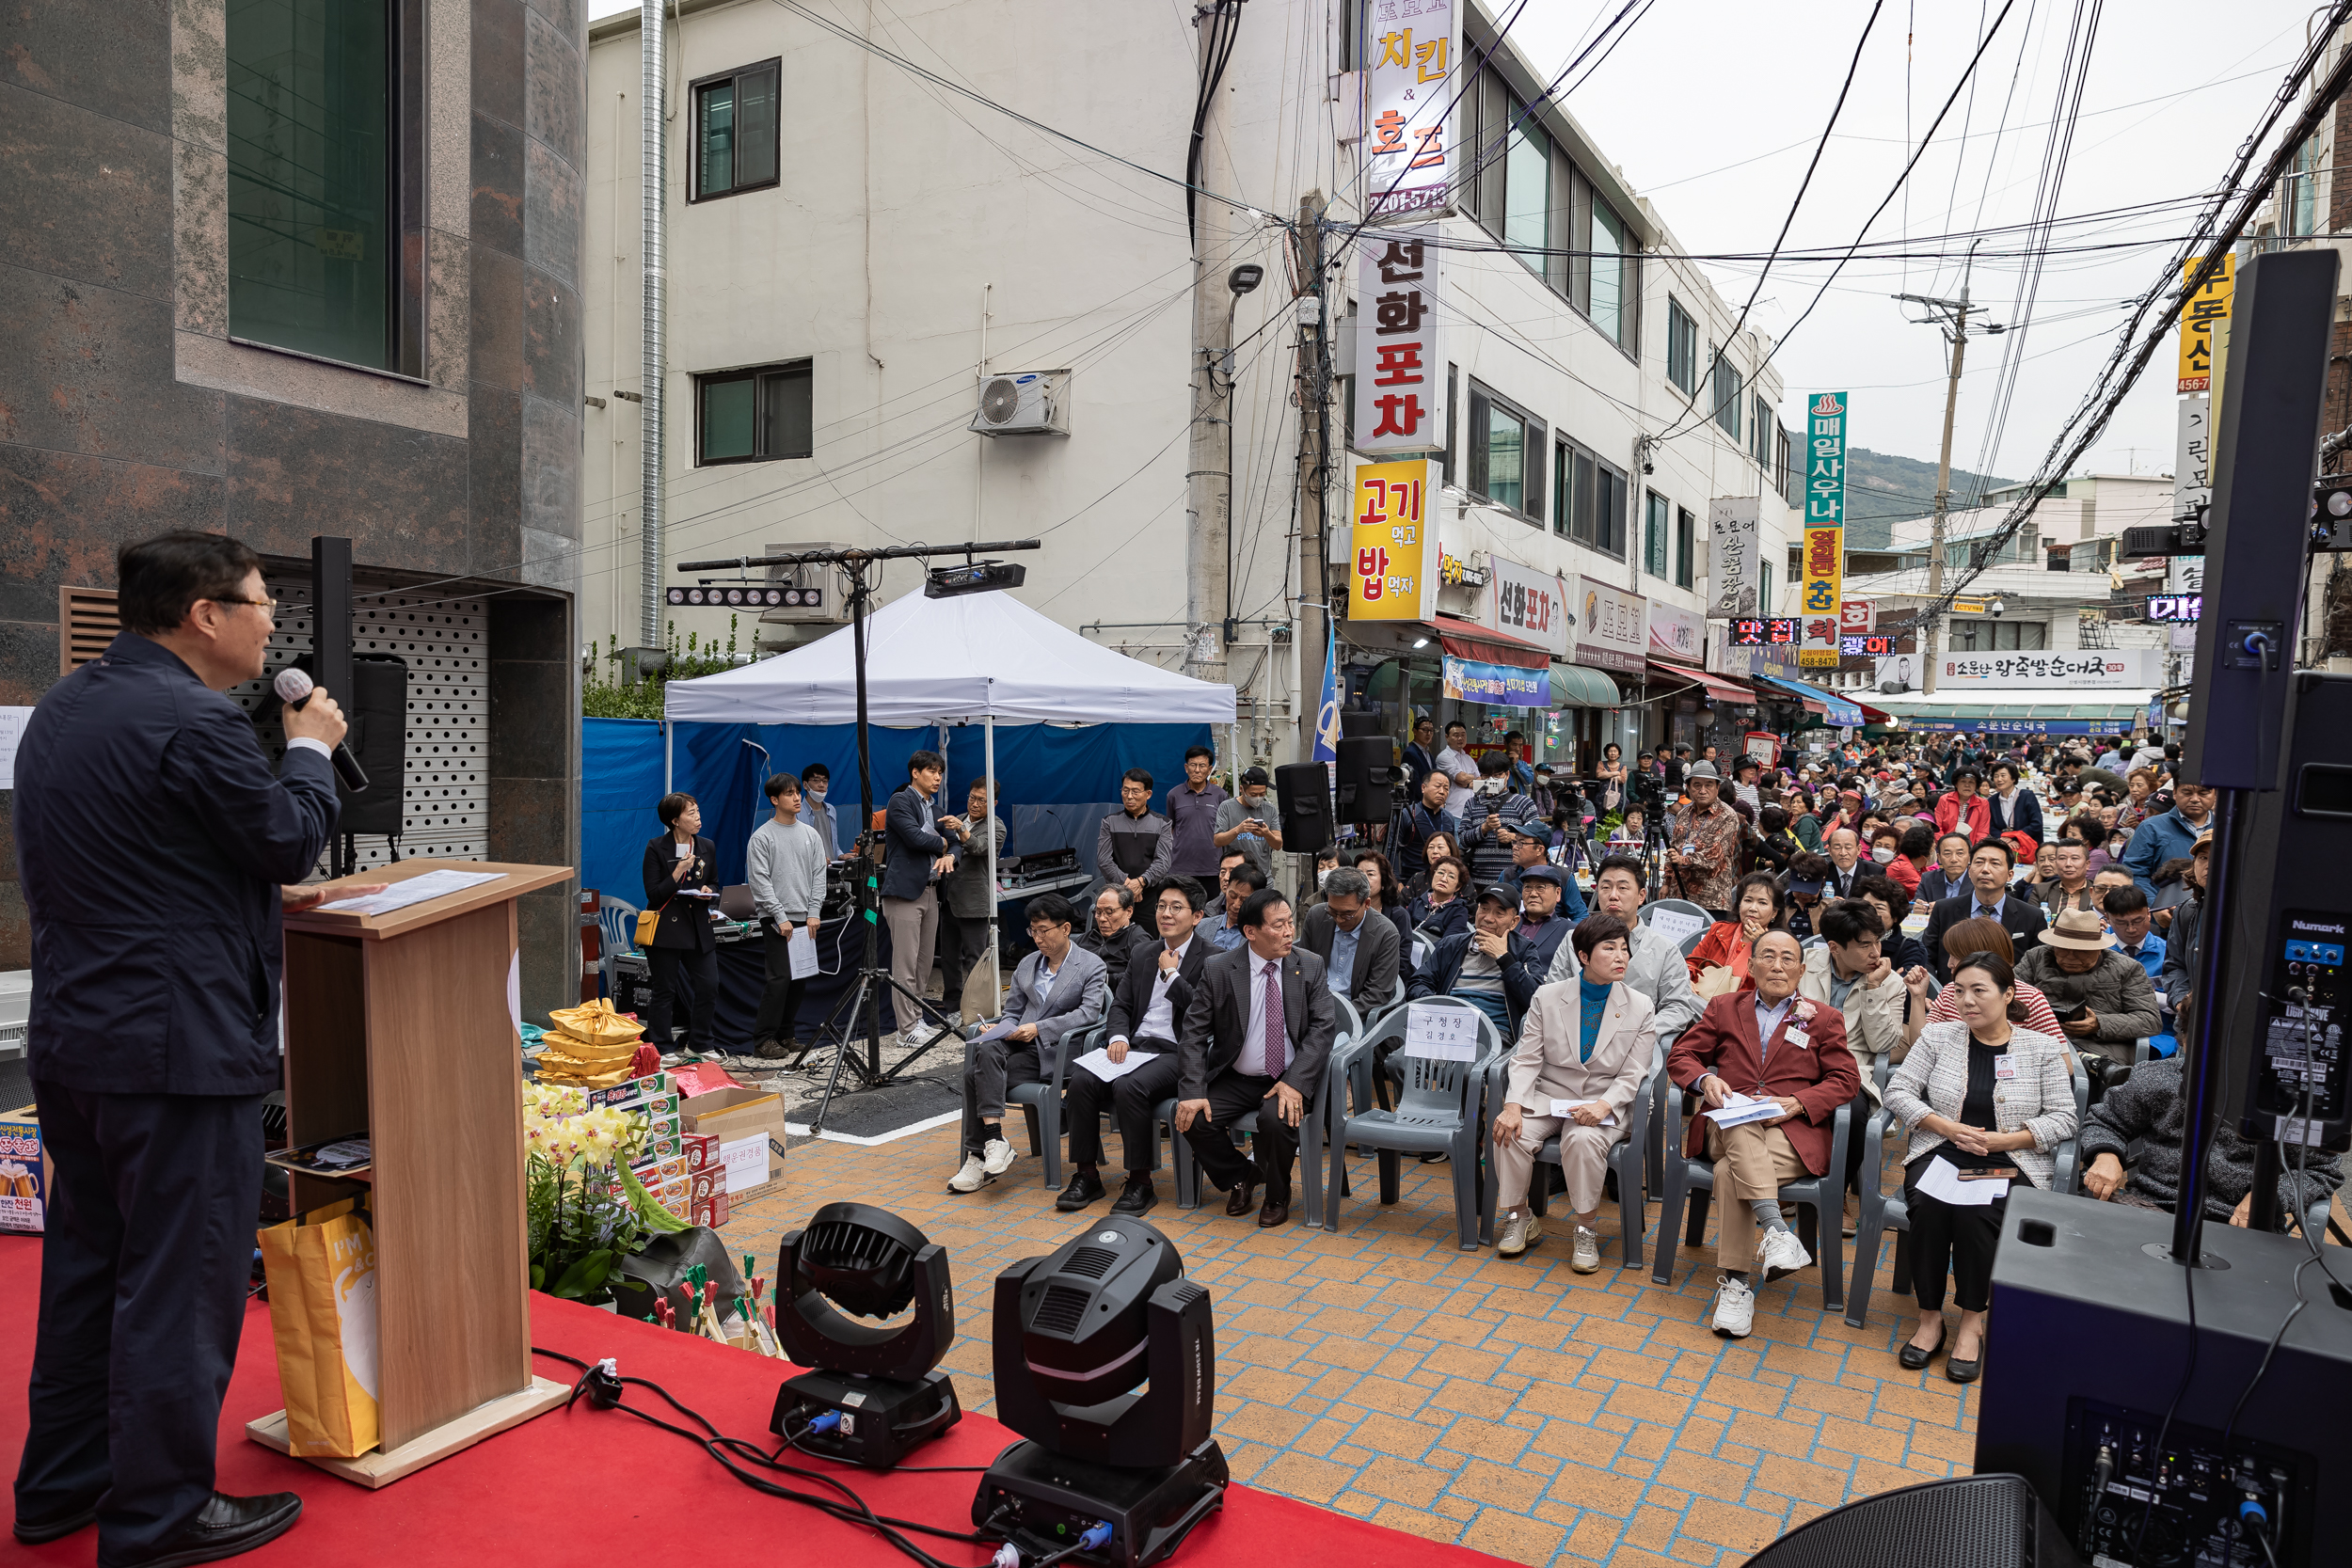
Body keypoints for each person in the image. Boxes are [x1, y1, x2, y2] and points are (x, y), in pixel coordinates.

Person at [13, 532, 351, 1564]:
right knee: (179, 1279)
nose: (270, 625)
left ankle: (62, 1487)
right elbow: (289, 839)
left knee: (88, 1265)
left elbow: (159, 853)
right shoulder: (193, 718)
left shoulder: (65, 707)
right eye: (258, 604)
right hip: (177, 1047)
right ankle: (159, 1515)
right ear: (204, 615)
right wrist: (310, 748)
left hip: (76, 1038)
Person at [1883, 951, 2075, 1382]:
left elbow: (2064, 1117)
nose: (1967, 1000)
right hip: (1941, 1149)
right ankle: (1930, 1317)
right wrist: (1945, 1127)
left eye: (1979, 990)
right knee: (1930, 1208)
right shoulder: (1938, 1037)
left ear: (2008, 995)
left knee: (1975, 1214)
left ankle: (1973, 1321)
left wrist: (2007, 1139)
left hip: (2011, 1157)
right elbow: (1898, 1091)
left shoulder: (2041, 1047)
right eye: (1959, 990)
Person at [1666, 930, 1863, 1339]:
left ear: (1802, 970)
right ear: (1751, 965)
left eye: (1788, 958)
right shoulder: (1723, 1007)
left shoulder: (1823, 1018)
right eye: (1768, 956)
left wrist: (1799, 1102)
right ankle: (1776, 1231)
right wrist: (1705, 1082)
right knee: (1738, 1122)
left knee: (1727, 1174)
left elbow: (1846, 1079)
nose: (1778, 965)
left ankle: (1737, 1286)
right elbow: (1682, 1055)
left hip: (1789, 1133)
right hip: (1726, 1119)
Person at [1490, 912, 1659, 1269]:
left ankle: (1585, 1228)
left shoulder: (1640, 1005)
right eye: (1609, 948)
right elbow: (1526, 1058)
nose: (1620, 957)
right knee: (1510, 1133)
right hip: (1551, 1095)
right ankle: (1520, 1217)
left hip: (1605, 1099)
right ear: (1583, 956)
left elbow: (1634, 1072)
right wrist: (1514, 1103)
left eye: (1625, 949)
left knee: (1582, 1140)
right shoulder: (1547, 997)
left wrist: (1603, 1105)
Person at [1175, 888, 1337, 1227]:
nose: (1289, 932)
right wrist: (1191, 1091)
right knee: (1193, 1118)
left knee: (1276, 1121)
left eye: (1291, 923)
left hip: (1289, 1075)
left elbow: (1323, 1028)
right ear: (1251, 932)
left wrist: (1295, 1082)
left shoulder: (1308, 965)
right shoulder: (1220, 968)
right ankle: (1241, 1176)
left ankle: (1278, 1194)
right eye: (1278, 926)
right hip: (1237, 1075)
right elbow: (1193, 1031)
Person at [1057, 877, 1210, 1215]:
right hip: (1136, 1047)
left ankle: (1140, 1181)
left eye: (1176, 907)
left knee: (1130, 1087)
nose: (1165, 914)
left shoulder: (1213, 958)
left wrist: (1172, 976)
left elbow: (1206, 1012)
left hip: (1176, 1051)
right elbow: (1122, 1005)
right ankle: (1087, 1174)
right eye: (1161, 907)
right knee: (1080, 1080)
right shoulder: (1143, 953)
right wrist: (1118, 1037)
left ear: (1197, 917)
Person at [948, 894, 1108, 1194]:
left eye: (1043, 930)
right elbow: (1013, 1012)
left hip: (1059, 1052)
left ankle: (978, 1154)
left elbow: (1089, 1013)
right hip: (1022, 1050)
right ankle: (993, 1141)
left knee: (973, 1075)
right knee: (987, 1045)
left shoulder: (1091, 965)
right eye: (1032, 930)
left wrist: (1038, 1028)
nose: (1037, 938)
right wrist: (1000, 1027)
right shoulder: (1027, 964)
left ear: (1065, 928)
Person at [2080, 1053, 2342, 1229]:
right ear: (2185, 1038)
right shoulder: (2159, 1076)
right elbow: (2108, 1120)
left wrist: (2270, 1196)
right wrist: (2106, 1155)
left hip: (2243, 1222)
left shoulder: (2293, 1097)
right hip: (2151, 1205)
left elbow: (2319, 1169)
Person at [1544, 853, 1706, 1045]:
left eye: (1622, 888)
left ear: (1641, 896)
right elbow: (1553, 994)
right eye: (1605, 887)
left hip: (1635, 1047)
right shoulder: (1573, 940)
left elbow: (1678, 1006)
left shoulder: (1664, 950)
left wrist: (1638, 1032)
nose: (1613, 895)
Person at [2014, 907, 2163, 1069]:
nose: (2070, 957)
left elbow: (2150, 1020)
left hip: (2104, 1049)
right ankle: (2080, 1059)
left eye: (2081, 951)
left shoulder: (2127, 968)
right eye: (2062, 949)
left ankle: (2086, 1061)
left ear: (2098, 948)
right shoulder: (2035, 958)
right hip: (2040, 1041)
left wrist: (2099, 1024)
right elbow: (2010, 998)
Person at [746, 772, 830, 1059]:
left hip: (805, 918)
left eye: (797, 792)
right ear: (774, 799)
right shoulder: (762, 837)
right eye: (789, 793)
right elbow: (760, 882)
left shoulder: (810, 834)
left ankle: (786, 1034)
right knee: (780, 978)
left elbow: (820, 874)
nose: (796, 798)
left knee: (799, 979)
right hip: (776, 919)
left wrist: (814, 911)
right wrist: (779, 916)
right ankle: (763, 1039)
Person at [881, 750, 960, 1048]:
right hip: (904, 894)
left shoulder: (937, 809)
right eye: (931, 771)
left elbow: (955, 842)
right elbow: (915, 838)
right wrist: (943, 842)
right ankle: (905, 1030)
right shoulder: (901, 800)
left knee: (924, 964)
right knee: (905, 965)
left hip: (930, 890)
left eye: (940, 772)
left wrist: (950, 851)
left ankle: (917, 1017)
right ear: (915, 772)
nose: (937, 777)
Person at [1409, 885, 1545, 1038]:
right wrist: (1437, 1006)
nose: (1488, 918)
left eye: (1499, 913)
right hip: (1446, 1026)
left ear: (1514, 922)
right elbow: (1418, 982)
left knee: (1465, 1062)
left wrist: (1503, 958)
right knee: (1396, 1061)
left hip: (1492, 1033)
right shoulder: (1451, 944)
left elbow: (1535, 998)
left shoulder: (1524, 949)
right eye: (1484, 909)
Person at [643, 793, 722, 1053]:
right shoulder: (656, 847)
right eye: (691, 813)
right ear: (675, 820)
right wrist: (678, 871)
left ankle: (699, 1044)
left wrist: (709, 889)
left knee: (709, 985)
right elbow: (653, 894)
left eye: (698, 811)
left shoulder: (706, 846)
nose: (698, 817)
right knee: (664, 989)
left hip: (698, 925)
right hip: (666, 928)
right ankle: (662, 1047)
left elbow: (714, 881)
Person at [1920, 839, 2049, 984]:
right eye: (1979, 862)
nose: (1985, 869)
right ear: (1969, 871)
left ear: (2010, 875)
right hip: (1950, 994)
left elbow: (2038, 966)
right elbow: (1926, 957)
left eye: (1995, 863)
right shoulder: (1944, 909)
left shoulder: (2032, 916)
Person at [1916, 918, 2065, 1043]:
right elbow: (1921, 1044)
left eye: (1956, 955)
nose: (1950, 964)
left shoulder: (2030, 998)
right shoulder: (1950, 991)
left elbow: (2060, 1060)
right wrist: (1917, 997)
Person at [934, 777, 1007, 1016]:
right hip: (949, 900)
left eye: (981, 800)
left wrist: (961, 830)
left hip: (975, 902)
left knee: (975, 960)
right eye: (972, 798)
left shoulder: (997, 826)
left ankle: (976, 1009)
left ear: (993, 803)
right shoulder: (957, 820)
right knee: (948, 958)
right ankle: (953, 1005)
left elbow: (978, 847)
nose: (974, 804)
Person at [1299, 867, 1402, 1020]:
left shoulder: (1386, 934)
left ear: (1367, 904)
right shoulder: (1317, 916)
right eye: (1333, 912)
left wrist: (1333, 1015)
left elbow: (1376, 995)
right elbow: (1303, 969)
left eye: (1348, 914)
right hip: (1313, 1007)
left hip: (1355, 1015)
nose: (1339, 919)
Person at [1665, 761, 1741, 916]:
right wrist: (1666, 882)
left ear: (1717, 787)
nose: (1702, 790)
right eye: (1697, 785)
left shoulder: (1727, 815)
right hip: (1679, 895)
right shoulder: (1683, 814)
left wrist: (1682, 860)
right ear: (1688, 787)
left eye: (1709, 785)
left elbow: (1714, 856)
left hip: (1711, 900)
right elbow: (1672, 849)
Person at [1686, 873, 1786, 990]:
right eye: (1748, 900)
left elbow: (1777, 987)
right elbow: (1690, 964)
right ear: (1739, 905)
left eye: (1762, 903)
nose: (1753, 908)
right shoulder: (1718, 930)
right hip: (1703, 999)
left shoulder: (1782, 945)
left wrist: (1763, 945)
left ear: (1774, 912)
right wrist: (1688, 980)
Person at [2122, 780, 2215, 903]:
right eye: (2187, 792)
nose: (2195, 799)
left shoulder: (2230, 830)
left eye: (2203, 793)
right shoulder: (2151, 827)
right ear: (2175, 792)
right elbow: (2134, 873)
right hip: (2163, 915)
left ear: (2215, 794)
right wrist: (2155, 907)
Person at [1460, 752, 1542, 888]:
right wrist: (1484, 828)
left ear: (1507, 775)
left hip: (1515, 882)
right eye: (1486, 776)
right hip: (1478, 882)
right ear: (1480, 777)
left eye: (1497, 775)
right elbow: (1463, 840)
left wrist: (1513, 837)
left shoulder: (1524, 803)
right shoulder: (1472, 803)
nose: (1492, 780)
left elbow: (1538, 839)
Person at [2161, 832, 2213, 1043]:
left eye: (2219, 855)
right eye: (2203, 858)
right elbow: (2174, 965)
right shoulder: (2187, 911)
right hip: (2190, 1024)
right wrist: (2183, 1002)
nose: (2209, 864)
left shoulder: (2256, 915)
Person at [1094, 767, 1172, 901]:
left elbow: (1163, 861)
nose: (1129, 796)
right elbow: (1104, 860)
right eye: (1125, 790)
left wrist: (1142, 882)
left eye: (1135, 791)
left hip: (1150, 896)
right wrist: (1128, 885)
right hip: (1117, 896)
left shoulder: (1163, 823)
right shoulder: (1109, 822)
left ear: (1148, 794)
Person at [1077, 884, 1158, 995]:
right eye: (1099, 912)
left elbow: (1142, 977)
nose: (1102, 919)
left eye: (1109, 912)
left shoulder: (1138, 940)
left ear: (1128, 912)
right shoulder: (1085, 938)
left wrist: (1104, 979)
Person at [1164, 747, 1231, 879]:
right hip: (1180, 868)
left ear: (1209, 769)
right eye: (1193, 765)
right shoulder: (1174, 795)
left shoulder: (1220, 795)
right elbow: (1171, 829)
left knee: (1212, 901)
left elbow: (1225, 831)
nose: (1197, 770)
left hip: (1212, 868)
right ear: (1186, 768)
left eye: (1202, 766)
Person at [1213, 765, 1284, 878]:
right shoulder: (1227, 807)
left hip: (1263, 876)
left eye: (1262, 794)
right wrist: (1238, 830)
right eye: (1253, 794)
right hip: (1235, 876)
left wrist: (1267, 834)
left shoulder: (1270, 810)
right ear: (1242, 790)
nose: (1258, 798)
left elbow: (1278, 844)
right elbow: (1217, 841)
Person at [1387, 767, 1454, 884]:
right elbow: (1392, 850)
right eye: (1437, 786)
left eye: (1446, 788)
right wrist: (1396, 881)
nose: (1442, 791)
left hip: (1442, 881)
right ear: (1423, 788)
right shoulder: (1407, 814)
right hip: (1412, 880)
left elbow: (1453, 853)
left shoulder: (1449, 818)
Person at [1511, 863, 1580, 976]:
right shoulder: (1509, 923)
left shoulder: (1570, 931)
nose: (1533, 894)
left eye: (1540, 888)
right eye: (1527, 888)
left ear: (1557, 893)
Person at [1349, 847, 1415, 955]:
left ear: (1383, 882)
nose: (1363, 879)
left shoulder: (1398, 916)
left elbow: (1403, 958)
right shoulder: (1347, 911)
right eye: (1359, 874)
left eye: (1370, 874)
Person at [1198, 857, 1262, 952]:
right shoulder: (1201, 927)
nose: (1236, 905)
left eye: (1244, 900)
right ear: (1226, 889)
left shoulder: (1260, 935)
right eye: (1232, 896)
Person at [1406, 855, 1472, 945]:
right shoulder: (1417, 902)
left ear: (1458, 887)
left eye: (1451, 876)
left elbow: (1448, 946)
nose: (1443, 879)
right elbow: (1402, 931)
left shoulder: (1458, 911)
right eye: (1441, 873)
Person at [1435, 721, 1482, 830]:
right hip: (1453, 812)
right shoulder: (1444, 757)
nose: (1460, 738)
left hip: (1471, 813)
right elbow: (1460, 777)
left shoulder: (1468, 758)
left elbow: (1480, 780)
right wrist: (1469, 778)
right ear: (1447, 737)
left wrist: (1466, 784)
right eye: (1456, 735)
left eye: (1463, 735)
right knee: (1454, 845)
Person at [2034, 838, 2096, 918]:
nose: (2068, 864)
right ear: (2056, 863)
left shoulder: (2097, 891)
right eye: (2062, 858)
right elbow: (2031, 921)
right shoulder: (2042, 890)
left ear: (2087, 864)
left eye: (2074, 858)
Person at [1984, 761, 2042, 845]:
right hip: (2002, 845)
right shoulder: (1992, 801)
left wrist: (2014, 837)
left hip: (2026, 844)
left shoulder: (2027, 796)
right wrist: (2003, 839)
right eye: (1996, 776)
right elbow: (1991, 826)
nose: (1999, 779)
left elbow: (2036, 824)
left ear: (2013, 778)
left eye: (2003, 776)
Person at [799, 760, 846, 858]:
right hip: (811, 870)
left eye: (825, 781)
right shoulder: (797, 812)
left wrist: (841, 856)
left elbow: (832, 844)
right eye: (816, 780)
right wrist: (817, 860)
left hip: (831, 869)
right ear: (805, 785)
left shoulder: (831, 810)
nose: (821, 785)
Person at [1917, 832, 1973, 905]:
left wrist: (1940, 910)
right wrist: (1917, 909)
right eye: (1947, 854)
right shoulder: (1928, 879)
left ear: (1969, 857)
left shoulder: (1979, 880)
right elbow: (1915, 904)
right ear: (1939, 858)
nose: (1954, 859)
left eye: (1960, 853)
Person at [1401, 715, 1442, 795]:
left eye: (1431, 730)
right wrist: (1430, 798)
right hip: (1418, 801)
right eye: (1425, 730)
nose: (1429, 733)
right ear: (1415, 731)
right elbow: (1414, 783)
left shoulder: (1428, 754)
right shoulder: (1410, 753)